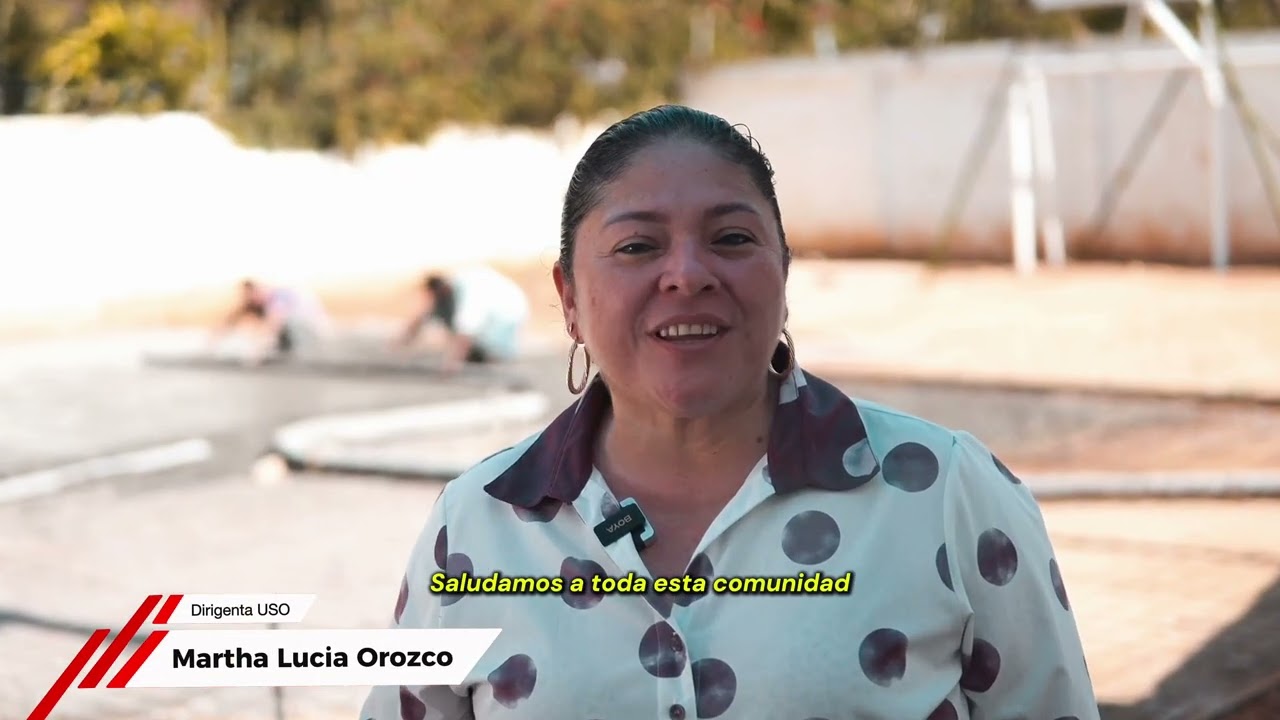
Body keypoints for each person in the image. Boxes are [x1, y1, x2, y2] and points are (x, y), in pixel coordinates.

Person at [360, 105, 1099, 719]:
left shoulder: (945, 494)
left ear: (783, 271)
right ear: (568, 299)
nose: (686, 274)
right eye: (638, 245)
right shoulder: (476, 526)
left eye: (732, 239)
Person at [394, 267, 530, 372]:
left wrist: (452, 363)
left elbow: (466, 330)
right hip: (494, 308)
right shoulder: (445, 295)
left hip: (506, 311)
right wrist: (401, 343)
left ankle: (489, 355)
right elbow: (423, 316)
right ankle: (476, 354)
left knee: (495, 353)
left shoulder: (469, 294)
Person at [210, 278, 330, 362]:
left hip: (310, 330)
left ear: (257, 290)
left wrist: (257, 353)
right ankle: (283, 350)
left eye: (252, 295)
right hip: (300, 331)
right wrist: (212, 343)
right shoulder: (256, 303)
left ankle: (287, 352)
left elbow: (273, 323)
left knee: (276, 328)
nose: (252, 300)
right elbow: (231, 319)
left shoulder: (279, 296)